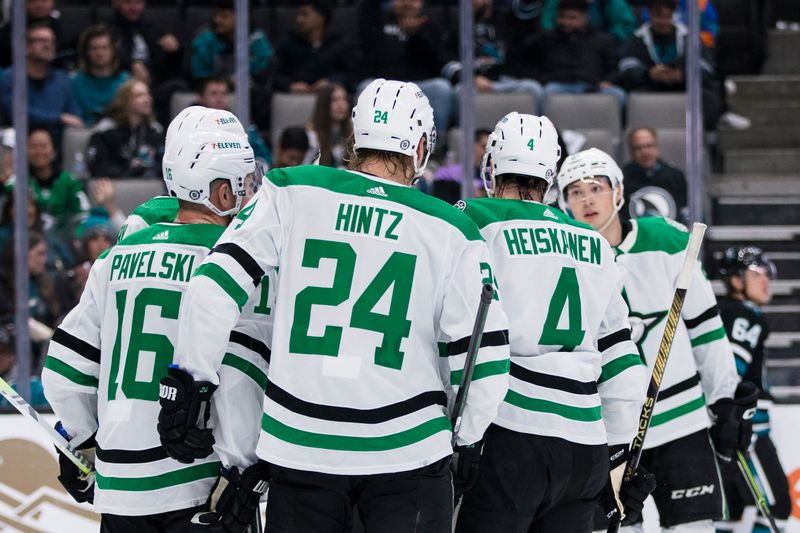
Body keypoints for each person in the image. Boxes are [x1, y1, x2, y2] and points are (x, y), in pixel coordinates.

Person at [160, 78, 510, 532]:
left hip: (300, 447)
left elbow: (214, 285)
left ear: (355, 137)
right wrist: (468, 437)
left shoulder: (290, 189)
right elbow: (484, 353)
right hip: (408, 452)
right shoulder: (451, 228)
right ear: (421, 144)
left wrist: (190, 381)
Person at [41, 126, 268, 531]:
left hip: (120, 489)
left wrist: (73, 437)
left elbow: (66, 371)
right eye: (244, 182)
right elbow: (238, 372)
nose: (250, 193)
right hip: (197, 483)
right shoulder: (236, 265)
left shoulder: (114, 259)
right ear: (222, 193)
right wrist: (243, 469)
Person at [454, 113, 651, 532]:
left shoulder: (470, 219)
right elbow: (622, 366)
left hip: (507, 435)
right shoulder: (594, 243)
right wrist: (617, 457)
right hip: (584, 448)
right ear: (551, 175)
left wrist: (461, 435)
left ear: (490, 166)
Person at [556, 148, 757, 533]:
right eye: (574, 191)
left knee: (694, 528)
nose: (586, 199)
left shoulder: (667, 240)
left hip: (682, 421)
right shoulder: (566, 260)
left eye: (595, 187)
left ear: (618, 192)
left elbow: (706, 329)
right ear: (565, 203)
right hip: (611, 430)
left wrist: (724, 399)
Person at [716, 247, 792, 533]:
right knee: (777, 506)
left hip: (722, 430)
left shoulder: (724, 312)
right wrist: (737, 423)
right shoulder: (744, 314)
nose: (766, 281)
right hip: (747, 431)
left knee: (730, 510)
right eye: (757, 274)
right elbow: (731, 373)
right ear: (736, 280)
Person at [618, 0, 748, 130]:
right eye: (658, 16)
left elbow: (706, 67)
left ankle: (715, 128)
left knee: (709, 93)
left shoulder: (689, 37)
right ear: (650, 14)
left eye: (666, 17)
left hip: (684, 84)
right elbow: (626, 66)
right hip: (650, 85)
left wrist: (683, 74)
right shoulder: (636, 38)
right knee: (630, 93)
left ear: (673, 14)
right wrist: (649, 73)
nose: (662, 22)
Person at [357, 0, 453, 138]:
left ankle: (436, 145)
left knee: (441, 88)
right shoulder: (377, 19)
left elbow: (438, 60)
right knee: (365, 87)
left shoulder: (430, 23)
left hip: (420, 84)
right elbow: (370, 52)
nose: (407, 3)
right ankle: (367, 140)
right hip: (386, 82)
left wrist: (415, 36)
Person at [524, 0, 626, 109]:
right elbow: (529, 63)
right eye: (562, 17)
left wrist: (609, 80)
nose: (565, 22)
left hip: (593, 85)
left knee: (618, 95)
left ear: (585, 18)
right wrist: (542, 79)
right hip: (557, 84)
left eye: (572, 18)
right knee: (543, 92)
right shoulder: (545, 39)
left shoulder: (603, 40)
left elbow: (615, 67)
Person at [103, 0, 186, 126]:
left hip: (152, 85)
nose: (134, 8)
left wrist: (173, 51)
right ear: (116, 3)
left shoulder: (151, 27)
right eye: (128, 2)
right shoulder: (107, 28)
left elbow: (167, 68)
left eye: (138, 3)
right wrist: (131, 64)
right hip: (121, 84)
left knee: (178, 86)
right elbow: (105, 57)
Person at [0, 23, 83, 144]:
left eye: (51, 41)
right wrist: (60, 118)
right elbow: (17, 113)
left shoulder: (62, 79)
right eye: (41, 41)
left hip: (57, 147)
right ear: (26, 47)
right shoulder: (10, 78)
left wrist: (67, 119)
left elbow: (75, 115)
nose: (48, 45)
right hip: (19, 144)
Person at [2, 128, 89, 235]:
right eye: (33, 146)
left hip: (61, 243)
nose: (39, 152)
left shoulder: (69, 182)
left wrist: (77, 236)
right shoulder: (19, 181)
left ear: (54, 151)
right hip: (27, 240)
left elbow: (83, 214)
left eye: (43, 146)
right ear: (26, 151)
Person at [273, 0, 356, 94]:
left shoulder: (340, 43)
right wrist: (289, 85)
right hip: (295, 98)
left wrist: (331, 81)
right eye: (298, 14)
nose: (299, 19)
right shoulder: (288, 43)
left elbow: (351, 74)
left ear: (320, 17)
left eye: (305, 14)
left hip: (330, 98)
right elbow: (275, 74)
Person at [87, 79, 164, 178]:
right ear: (125, 100)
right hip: (114, 186)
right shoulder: (106, 130)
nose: (147, 99)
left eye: (148, 94)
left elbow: (162, 165)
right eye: (139, 95)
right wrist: (130, 170)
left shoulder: (155, 130)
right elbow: (98, 167)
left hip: (148, 187)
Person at [193, 77, 271, 164]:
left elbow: (263, 158)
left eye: (223, 93)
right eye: (213, 94)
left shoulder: (240, 123)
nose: (219, 98)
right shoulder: (190, 124)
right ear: (201, 97)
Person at [622, 127, 687, 222]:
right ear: (631, 152)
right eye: (638, 148)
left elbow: (685, 212)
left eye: (649, 146)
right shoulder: (622, 179)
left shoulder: (675, 176)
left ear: (657, 148)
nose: (644, 152)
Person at [72, 24, 131, 127]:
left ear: (113, 50)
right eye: (94, 48)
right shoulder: (74, 82)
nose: (100, 53)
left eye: (105, 48)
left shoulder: (126, 82)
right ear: (86, 52)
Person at [0, 0, 77, 69]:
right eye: (32, 1)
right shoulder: (11, 30)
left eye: (44, 0)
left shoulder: (63, 27)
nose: (38, 5)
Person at [540, 0, 638, 42]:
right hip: (561, 46)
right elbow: (547, 24)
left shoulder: (612, 3)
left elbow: (626, 27)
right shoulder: (556, 1)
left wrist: (604, 40)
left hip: (600, 50)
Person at [305, 83, 352, 168]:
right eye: (335, 100)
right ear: (324, 105)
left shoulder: (353, 130)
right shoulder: (312, 135)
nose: (341, 105)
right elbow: (306, 167)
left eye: (344, 99)